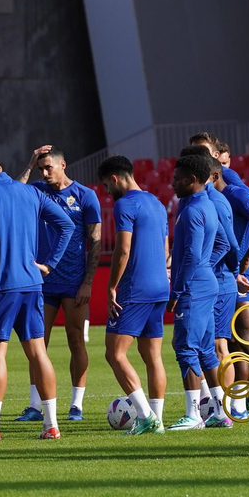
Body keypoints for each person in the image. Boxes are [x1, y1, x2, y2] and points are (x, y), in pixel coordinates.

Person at [0, 148, 74, 441]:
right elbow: (67, 224)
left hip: (0, 285)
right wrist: (49, 263)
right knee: (38, 352)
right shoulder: (32, 194)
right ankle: (51, 425)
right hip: (32, 284)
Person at [189, 133, 249, 417]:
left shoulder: (233, 186)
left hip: (239, 274)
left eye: (203, 152)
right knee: (227, 340)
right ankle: (239, 401)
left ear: (215, 157)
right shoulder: (203, 190)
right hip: (222, 272)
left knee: (246, 336)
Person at [15, 144, 103, 422]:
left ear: (63, 165)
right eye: (40, 169)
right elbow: (14, 192)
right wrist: (29, 164)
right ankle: (34, 405)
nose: (44, 172)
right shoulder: (38, 191)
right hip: (42, 282)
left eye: (47, 167)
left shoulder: (85, 196)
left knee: (76, 341)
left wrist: (88, 282)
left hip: (74, 282)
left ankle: (76, 404)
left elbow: (96, 241)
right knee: (37, 343)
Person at [96, 156, 169, 434]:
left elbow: (123, 249)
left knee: (115, 354)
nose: (106, 191)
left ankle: (145, 415)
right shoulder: (157, 203)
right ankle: (157, 421)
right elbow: (165, 250)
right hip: (160, 287)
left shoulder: (124, 204)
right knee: (153, 356)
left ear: (115, 179)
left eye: (106, 185)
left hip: (135, 289)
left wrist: (112, 285)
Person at [165, 152, 225, 432]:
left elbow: (189, 254)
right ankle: (220, 413)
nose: (172, 183)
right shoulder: (205, 204)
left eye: (177, 179)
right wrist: (206, 267)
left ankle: (193, 415)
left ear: (191, 180)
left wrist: (177, 290)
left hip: (193, 288)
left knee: (185, 348)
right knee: (206, 351)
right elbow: (223, 243)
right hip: (205, 283)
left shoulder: (191, 210)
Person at [188, 147, 238, 429]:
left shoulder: (215, 202)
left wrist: (229, 269)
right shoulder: (201, 200)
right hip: (214, 280)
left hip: (218, 282)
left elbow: (230, 243)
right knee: (206, 346)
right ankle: (216, 407)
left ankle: (227, 408)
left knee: (219, 346)